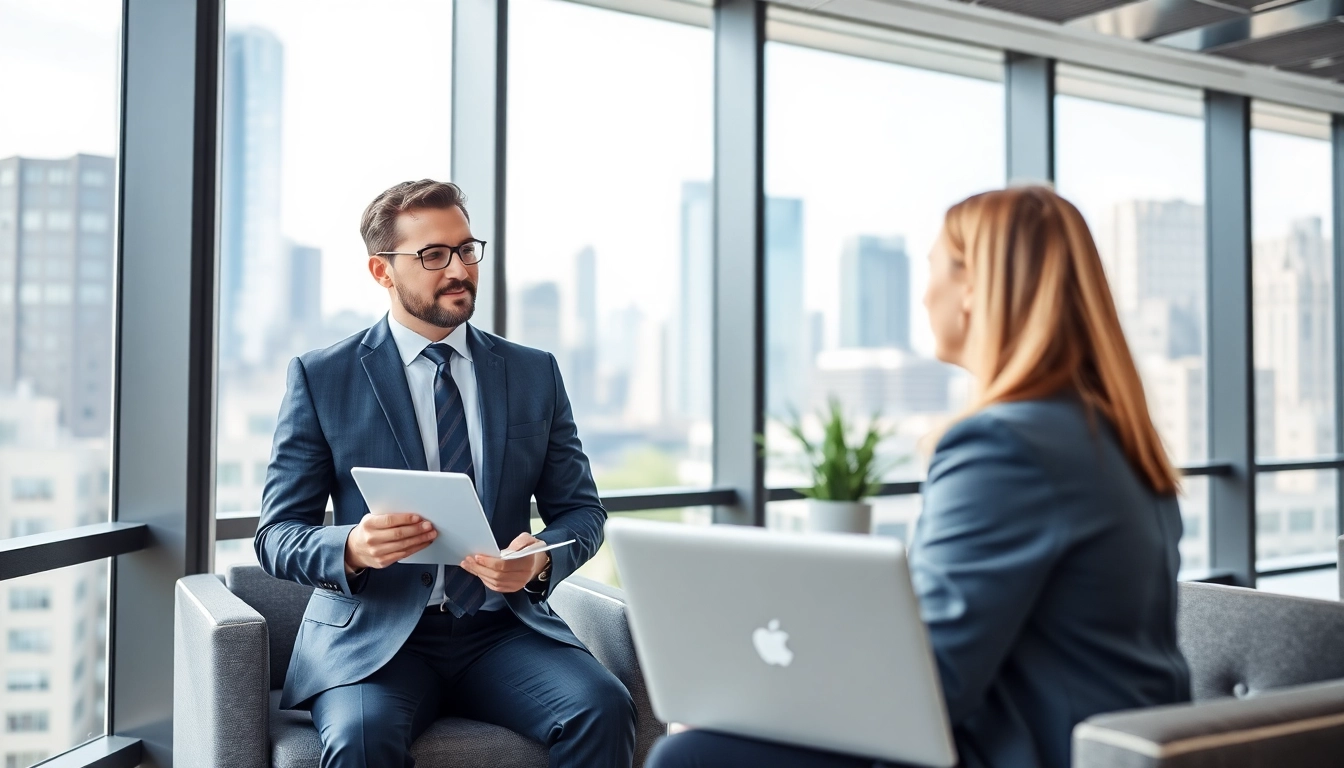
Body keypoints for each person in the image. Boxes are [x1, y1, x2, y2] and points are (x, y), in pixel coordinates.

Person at [645, 185, 1191, 768]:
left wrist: (753, 706)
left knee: (690, 756)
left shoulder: (1005, 446)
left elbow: (930, 687)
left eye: (933, 269)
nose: (925, 295)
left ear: (974, 289)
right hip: (1092, 745)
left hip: (1028, 750)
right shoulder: (1107, 435)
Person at [255, 179, 636, 768]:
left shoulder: (533, 372)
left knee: (603, 709)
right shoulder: (322, 377)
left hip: (502, 630)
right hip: (376, 638)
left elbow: (583, 513)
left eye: (466, 249)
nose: (459, 269)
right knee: (361, 740)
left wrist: (540, 560)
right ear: (382, 271)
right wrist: (352, 548)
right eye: (433, 255)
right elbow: (275, 536)